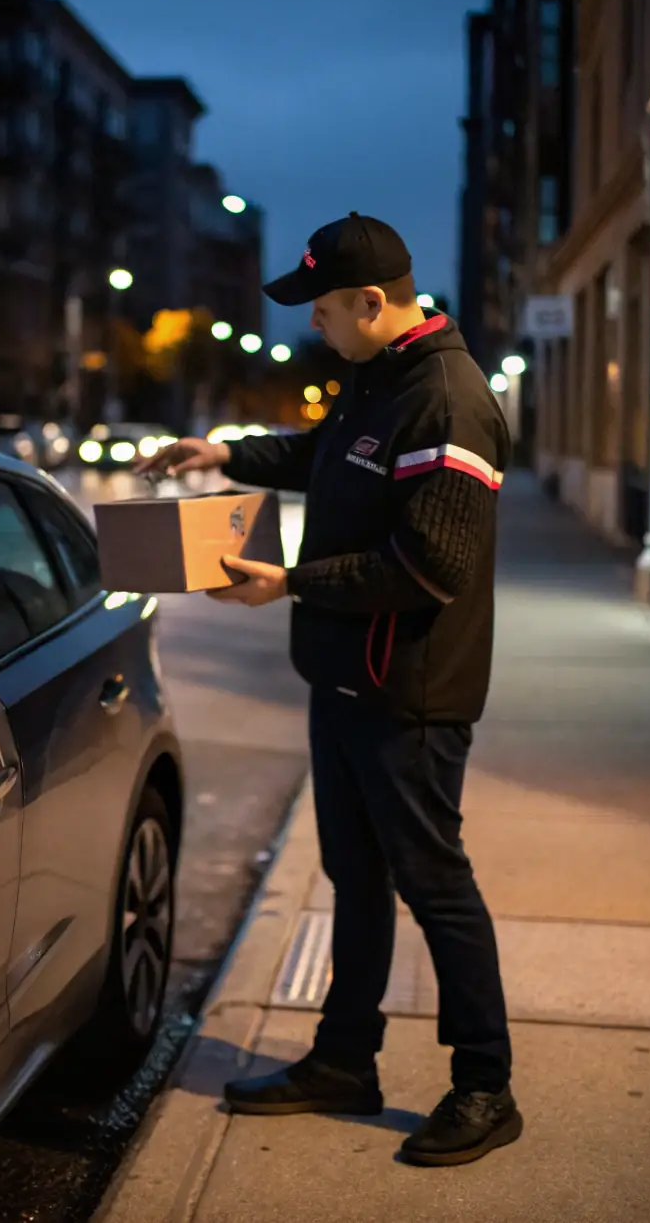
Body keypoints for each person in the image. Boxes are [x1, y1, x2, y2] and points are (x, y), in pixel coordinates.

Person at [140, 212, 520, 1168]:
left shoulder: (447, 399)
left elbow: (429, 565)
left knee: (437, 885)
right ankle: (345, 1059)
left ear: (372, 302)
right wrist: (221, 453)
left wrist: (291, 582)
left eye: (320, 308)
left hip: (411, 694)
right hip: (344, 679)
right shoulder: (375, 379)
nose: (314, 325)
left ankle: (485, 1084)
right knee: (357, 878)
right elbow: (320, 457)